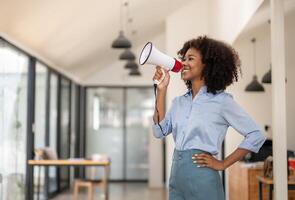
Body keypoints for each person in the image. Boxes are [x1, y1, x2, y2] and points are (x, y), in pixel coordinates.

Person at [152, 36, 266, 200]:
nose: (184, 63)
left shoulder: (222, 101)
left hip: (203, 178)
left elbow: (256, 135)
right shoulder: (179, 102)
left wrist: (223, 163)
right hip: (176, 176)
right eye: (183, 58)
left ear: (207, 65)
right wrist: (161, 89)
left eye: (190, 58)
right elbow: (159, 131)